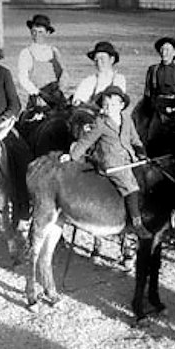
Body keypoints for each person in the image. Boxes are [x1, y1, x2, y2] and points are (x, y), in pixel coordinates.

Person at [61, 85, 151, 239]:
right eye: (106, 105)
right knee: (130, 185)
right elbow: (86, 141)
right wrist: (72, 156)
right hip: (111, 161)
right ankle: (137, 225)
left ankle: (141, 209)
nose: (109, 108)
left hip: (128, 158)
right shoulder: (101, 123)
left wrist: (141, 150)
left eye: (114, 105)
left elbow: (134, 138)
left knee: (146, 176)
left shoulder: (127, 119)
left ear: (122, 105)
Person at [143, 37, 175, 143]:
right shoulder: (153, 69)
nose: (164, 53)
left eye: (168, 50)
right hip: (157, 108)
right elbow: (148, 92)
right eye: (162, 50)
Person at [17, 14, 67, 112]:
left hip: (56, 97)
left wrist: (61, 90)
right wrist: (37, 93)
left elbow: (64, 74)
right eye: (34, 32)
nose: (37, 35)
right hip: (38, 99)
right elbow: (23, 79)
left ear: (47, 33)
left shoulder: (54, 51)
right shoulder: (26, 53)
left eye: (40, 32)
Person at [72, 41, 127, 106]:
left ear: (112, 60)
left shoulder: (119, 79)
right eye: (96, 60)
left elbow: (116, 100)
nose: (99, 63)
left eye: (102, 59)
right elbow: (77, 101)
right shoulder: (88, 81)